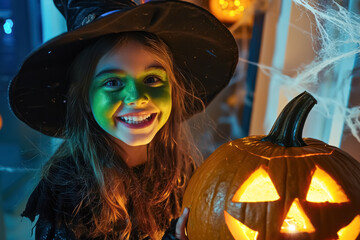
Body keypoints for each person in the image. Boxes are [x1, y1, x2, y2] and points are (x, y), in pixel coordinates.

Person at [8, 0, 238, 239]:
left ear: (172, 89)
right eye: (112, 82)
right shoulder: (67, 194)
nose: (137, 98)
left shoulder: (181, 170)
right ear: (85, 98)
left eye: (151, 79)